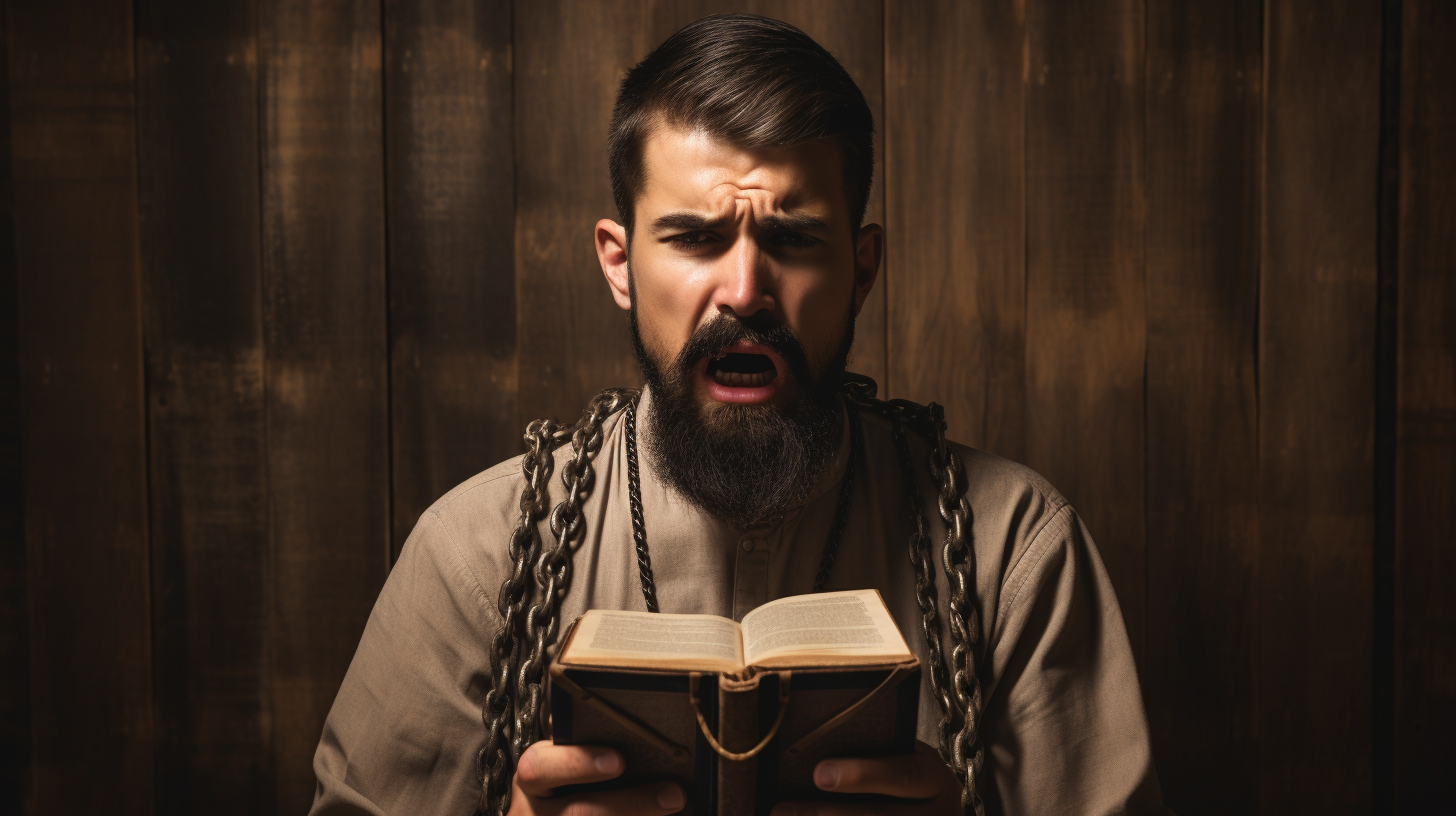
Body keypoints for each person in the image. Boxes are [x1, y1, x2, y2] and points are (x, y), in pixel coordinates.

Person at [310, 13, 1166, 816]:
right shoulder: (474, 557)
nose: (747, 291)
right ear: (620, 265)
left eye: (793, 239)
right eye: (693, 238)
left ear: (862, 270)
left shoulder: (1014, 552)